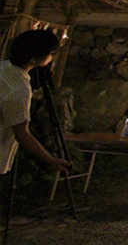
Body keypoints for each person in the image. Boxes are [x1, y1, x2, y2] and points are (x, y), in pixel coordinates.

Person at [1, 30, 72, 187]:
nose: (52, 57)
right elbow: (22, 133)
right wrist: (51, 160)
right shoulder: (19, 89)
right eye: (51, 53)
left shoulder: (3, 67)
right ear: (34, 59)